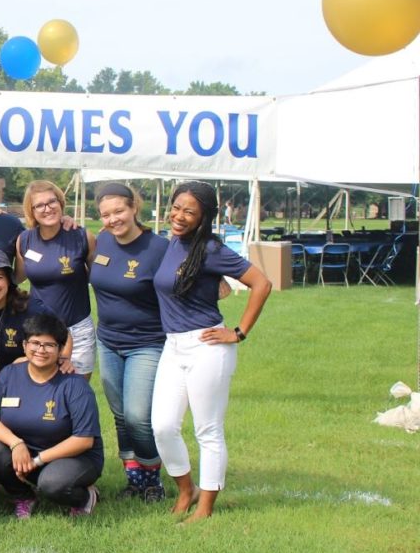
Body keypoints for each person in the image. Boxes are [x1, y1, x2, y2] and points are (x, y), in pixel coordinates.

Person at [151, 180, 272, 523]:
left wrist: (239, 332)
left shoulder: (212, 250)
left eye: (189, 211)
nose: (179, 216)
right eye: (176, 208)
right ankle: (185, 490)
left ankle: (205, 506)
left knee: (208, 430)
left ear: (204, 216)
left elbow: (261, 283)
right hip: (172, 347)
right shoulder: (172, 242)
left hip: (207, 347)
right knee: (162, 426)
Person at [89, 183, 169, 502]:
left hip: (147, 343)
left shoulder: (158, 247)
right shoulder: (103, 240)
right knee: (120, 415)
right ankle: (134, 480)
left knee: (138, 415)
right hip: (108, 341)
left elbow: (184, 277)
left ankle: (153, 479)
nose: (112, 219)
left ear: (134, 208)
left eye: (119, 211)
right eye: (105, 214)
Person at [0, 313, 104, 519]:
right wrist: (16, 444)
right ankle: (24, 497)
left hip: (75, 457)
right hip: (28, 451)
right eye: (35, 343)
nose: (41, 350)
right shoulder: (9, 374)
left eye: (49, 345)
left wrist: (37, 460)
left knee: (52, 484)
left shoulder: (75, 385)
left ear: (60, 350)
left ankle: (84, 497)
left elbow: (83, 440)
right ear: (24, 345)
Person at [15, 180, 98, 379]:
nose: (47, 208)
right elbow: (16, 278)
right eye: (39, 205)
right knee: (42, 396)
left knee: (76, 393)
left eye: (52, 202)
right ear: (31, 210)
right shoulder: (25, 240)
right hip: (40, 332)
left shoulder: (82, 236)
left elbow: (99, 279)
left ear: (61, 203)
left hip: (77, 329)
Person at [0, 248, 70, 377]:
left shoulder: (31, 308)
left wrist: (64, 358)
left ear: (9, 280)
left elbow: (63, 331)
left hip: (26, 373)